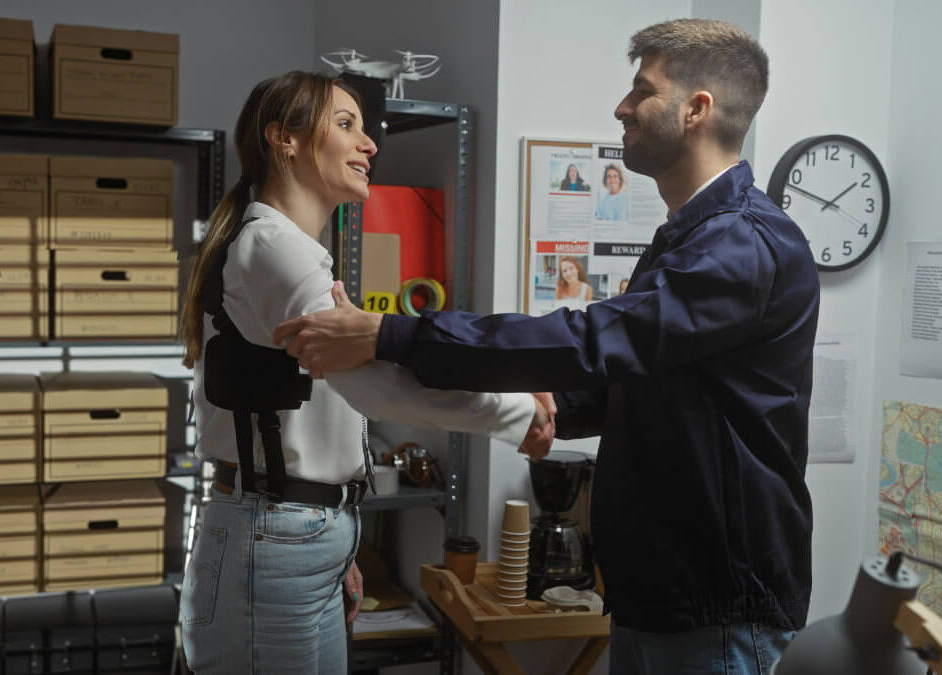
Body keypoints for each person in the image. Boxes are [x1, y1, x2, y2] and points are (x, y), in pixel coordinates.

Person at [275, 18, 820, 675]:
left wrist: (392, 334)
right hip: (659, 596)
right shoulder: (690, 237)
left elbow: (595, 339)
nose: (621, 107)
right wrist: (545, 408)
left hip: (716, 609)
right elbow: (629, 376)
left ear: (696, 109)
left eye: (640, 91)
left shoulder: (743, 244)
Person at [177, 71, 553, 674]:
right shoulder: (277, 251)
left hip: (297, 535)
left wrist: (338, 543)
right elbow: (376, 388)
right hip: (274, 538)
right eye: (345, 126)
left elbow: (330, 398)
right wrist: (516, 413)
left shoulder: (292, 251)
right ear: (285, 140)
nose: (370, 144)